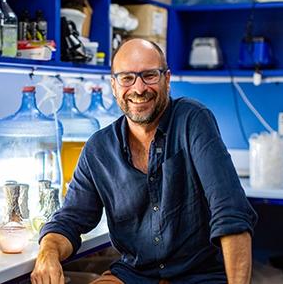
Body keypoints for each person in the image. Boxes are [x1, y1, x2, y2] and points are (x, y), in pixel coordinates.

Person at [32, 38, 257, 284]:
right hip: (135, 276)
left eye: (150, 75)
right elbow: (70, 220)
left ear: (167, 79)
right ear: (114, 85)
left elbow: (231, 213)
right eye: (127, 78)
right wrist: (48, 252)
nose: (139, 88)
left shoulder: (192, 120)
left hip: (199, 276)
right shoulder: (99, 149)